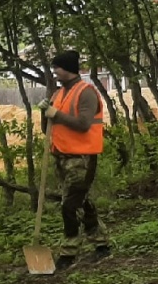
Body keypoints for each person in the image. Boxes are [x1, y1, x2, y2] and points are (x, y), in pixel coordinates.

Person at [38, 50, 110, 270]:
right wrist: (45, 113)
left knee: (70, 205)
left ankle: (68, 253)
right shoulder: (58, 94)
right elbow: (47, 128)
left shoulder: (86, 92)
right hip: (62, 156)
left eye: (57, 67)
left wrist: (55, 114)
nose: (54, 72)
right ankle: (102, 244)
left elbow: (83, 124)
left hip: (82, 158)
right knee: (81, 201)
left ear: (67, 68)